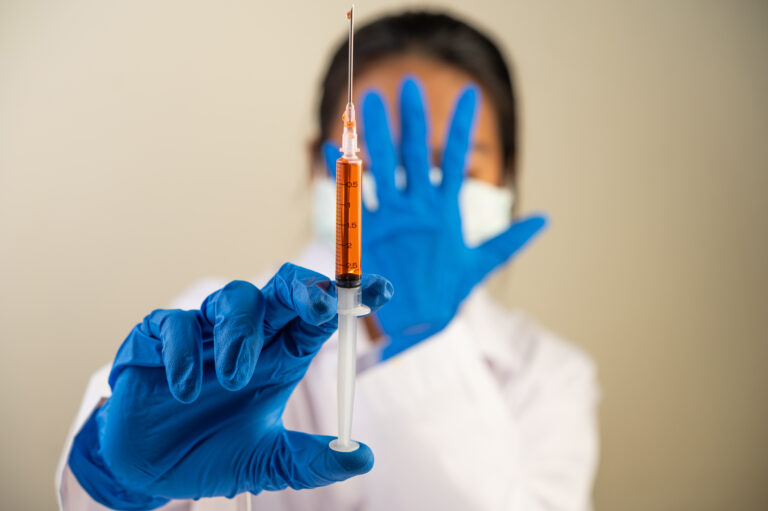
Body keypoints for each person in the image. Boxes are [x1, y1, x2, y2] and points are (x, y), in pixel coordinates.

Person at [58, 11, 599, 511]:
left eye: (449, 164)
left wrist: (422, 337)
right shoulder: (220, 328)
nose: (411, 191)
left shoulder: (548, 376)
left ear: (506, 176)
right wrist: (111, 473)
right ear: (322, 166)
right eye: (378, 157)